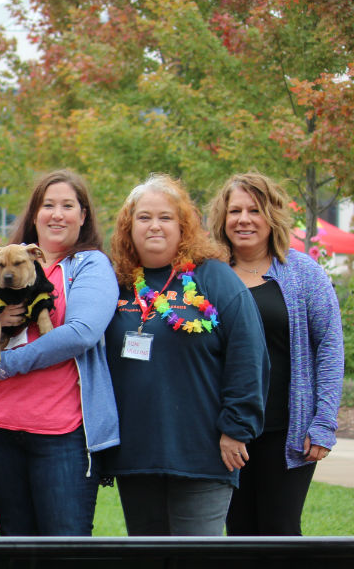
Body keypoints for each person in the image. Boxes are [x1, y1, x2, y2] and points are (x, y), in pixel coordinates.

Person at [0, 170, 118, 537]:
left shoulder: (90, 265)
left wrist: (5, 366)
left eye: (68, 206)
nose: (57, 214)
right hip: (0, 431)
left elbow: (80, 333)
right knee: (18, 551)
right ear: (34, 215)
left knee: (67, 556)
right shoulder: (2, 261)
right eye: (48, 205)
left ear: (84, 216)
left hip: (62, 433)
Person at [104, 173, 268, 536]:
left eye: (166, 217)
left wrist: (236, 429)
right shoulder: (117, 283)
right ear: (129, 228)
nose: (155, 226)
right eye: (144, 218)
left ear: (184, 226)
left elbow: (248, 355)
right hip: (136, 453)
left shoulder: (213, 278)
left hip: (203, 451)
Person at [206, 172, 343, 536]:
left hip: (288, 430)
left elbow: (329, 346)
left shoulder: (303, 273)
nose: (244, 219)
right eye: (235, 210)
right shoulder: (207, 276)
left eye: (255, 210)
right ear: (222, 218)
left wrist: (324, 421)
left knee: (280, 531)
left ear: (272, 217)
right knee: (238, 532)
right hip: (225, 430)